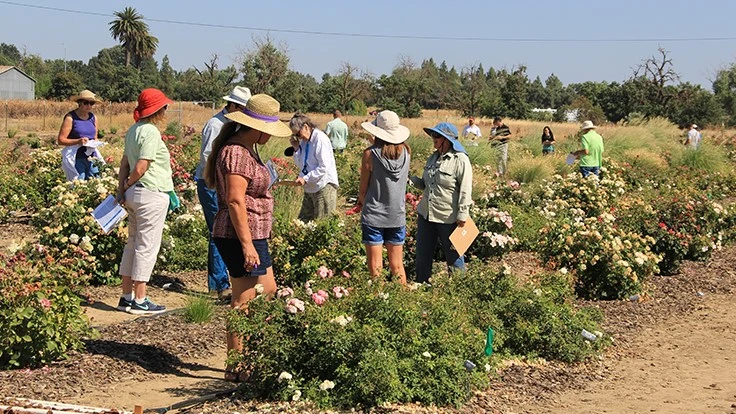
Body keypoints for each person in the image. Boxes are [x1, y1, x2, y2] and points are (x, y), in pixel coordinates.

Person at [203, 94, 291, 382]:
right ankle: (236, 367)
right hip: (239, 235)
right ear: (256, 127)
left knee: (266, 293)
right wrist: (247, 245)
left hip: (255, 234)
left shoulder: (247, 148)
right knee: (244, 300)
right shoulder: (237, 153)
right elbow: (236, 201)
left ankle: (252, 358)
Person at [116, 88, 175, 315]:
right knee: (146, 246)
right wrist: (131, 183)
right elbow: (141, 166)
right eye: (164, 107)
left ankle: (126, 296)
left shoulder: (133, 130)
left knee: (132, 243)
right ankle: (140, 299)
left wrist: (122, 189)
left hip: (134, 195)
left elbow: (124, 164)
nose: (166, 110)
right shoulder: (150, 132)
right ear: (158, 110)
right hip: (150, 193)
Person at [195, 86, 252, 299]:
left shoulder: (234, 125)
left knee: (227, 231)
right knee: (217, 232)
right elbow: (207, 158)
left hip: (225, 185)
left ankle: (228, 280)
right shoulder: (215, 124)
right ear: (233, 105)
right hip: (211, 184)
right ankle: (220, 284)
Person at [411, 122, 473, 284]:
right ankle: (422, 285)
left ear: (447, 139)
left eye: (436, 136)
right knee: (423, 254)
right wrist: (410, 179)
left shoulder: (460, 160)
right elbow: (425, 185)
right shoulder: (433, 157)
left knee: (454, 255)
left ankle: (458, 289)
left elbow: (466, 189)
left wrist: (462, 215)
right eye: (432, 135)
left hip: (449, 218)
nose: (433, 139)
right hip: (426, 214)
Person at [357, 110, 411, 284]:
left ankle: (379, 301)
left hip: (374, 214)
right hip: (397, 214)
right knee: (397, 265)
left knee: (375, 267)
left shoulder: (370, 154)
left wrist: (361, 201)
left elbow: (363, 189)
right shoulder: (406, 153)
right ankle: (404, 304)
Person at [289, 113, 340, 222]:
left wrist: (306, 178)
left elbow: (323, 167)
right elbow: (302, 165)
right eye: (295, 135)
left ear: (306, 127)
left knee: (322, 223)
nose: (298, 137)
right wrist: (297, 148)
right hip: (311, 186)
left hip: (324, 185)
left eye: (298, 134)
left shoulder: (320, 139)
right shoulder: (304, 142)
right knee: (303, 222)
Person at [57, 90, 104, 181]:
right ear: (80, 103)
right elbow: (61, 140)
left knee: (96, 181)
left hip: (91, 157)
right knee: (78, 183)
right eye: (86, 103)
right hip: (76, 157)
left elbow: (95, 137)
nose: (89, 106)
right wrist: (78, 141)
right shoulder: (71, 118)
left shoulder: (93, 118)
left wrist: (96, 142)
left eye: (91, 103)